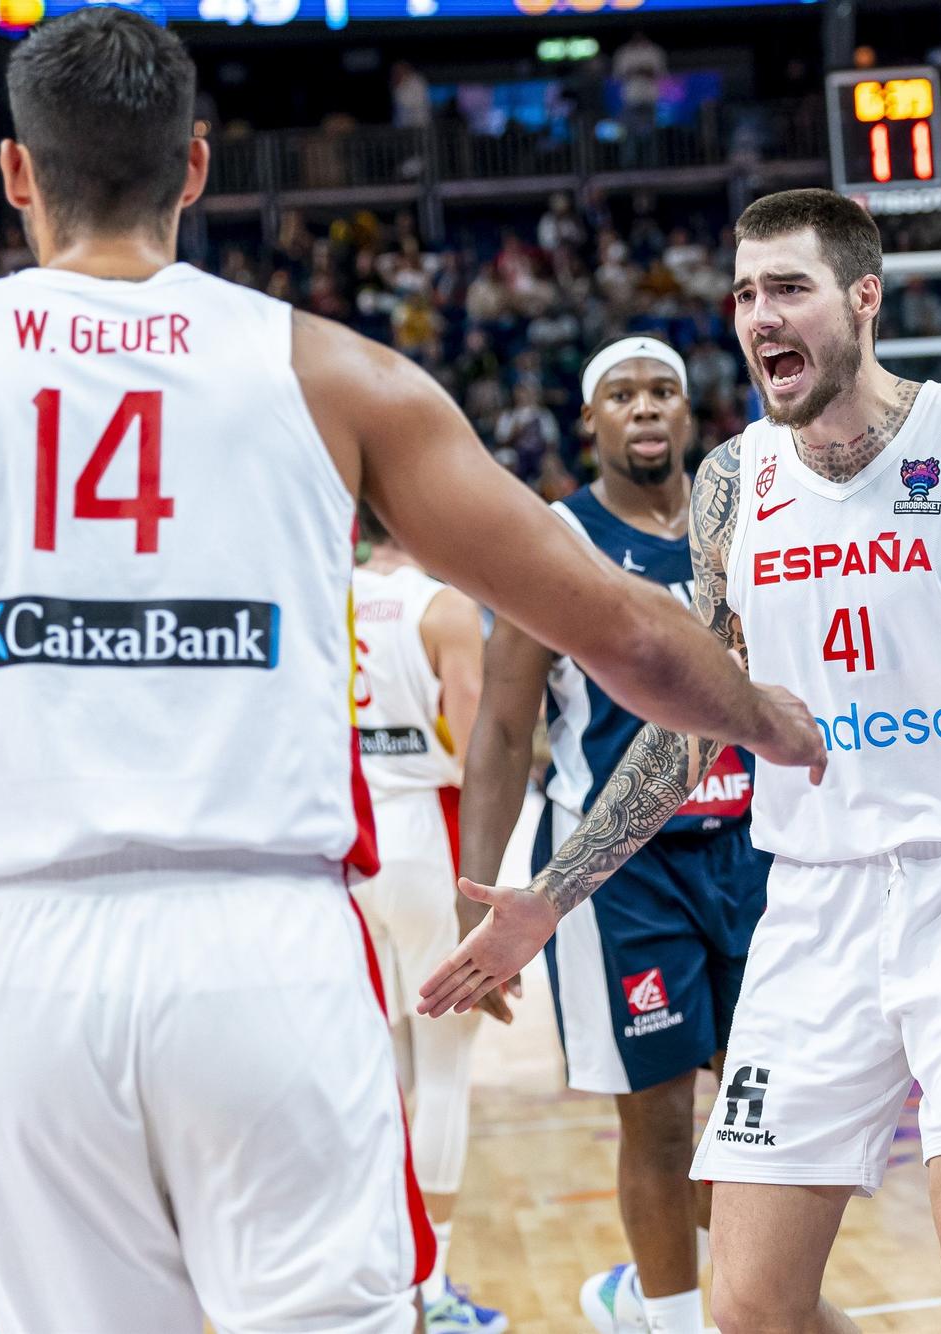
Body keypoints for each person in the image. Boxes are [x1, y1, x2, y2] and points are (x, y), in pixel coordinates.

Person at [0, 13, 825, 1334]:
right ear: (198, 168)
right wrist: (766, 715)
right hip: (260, 945)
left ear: (16, 174)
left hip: (10, 962)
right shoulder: (336, 374)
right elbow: (616, 630)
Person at [423, 189, 941, 1334]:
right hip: (810, 901)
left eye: (788, 288)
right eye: (744, 293)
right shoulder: (731, 484)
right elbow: (691, 720)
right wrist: (546, 898)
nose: (759, 315)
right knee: (751, 1305)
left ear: (863, 297)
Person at [457, 335, 769, 1334]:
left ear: (688, 413)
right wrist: (479, 897)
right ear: (587, 420)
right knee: (661, 1109)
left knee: (760, 1111)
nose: (645, 408)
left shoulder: (743, 524)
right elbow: (504, 725)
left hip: (755, 851)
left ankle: (675, 1297)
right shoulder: (553, 540)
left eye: (663, 391)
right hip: (618, 873)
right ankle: (676, 1320)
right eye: (621, 394)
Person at [348, 513, 505, 1334]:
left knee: (382, 1069)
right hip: (424, 832)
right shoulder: (439, 607)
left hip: (347, 839)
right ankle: (432, 1285)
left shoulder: (325, 598)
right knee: (445, 1065)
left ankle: (378, 1271)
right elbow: (480, 743)